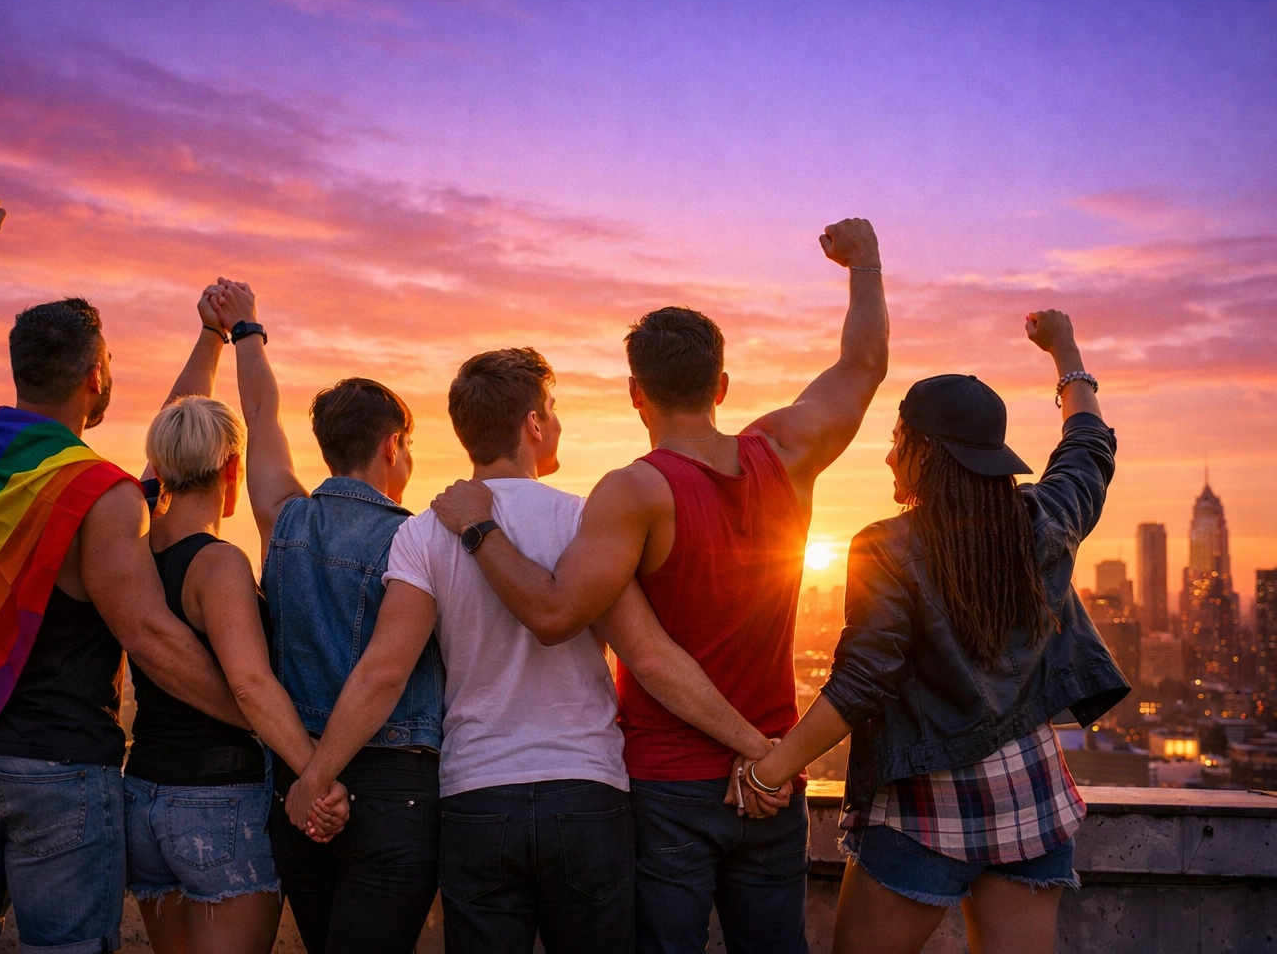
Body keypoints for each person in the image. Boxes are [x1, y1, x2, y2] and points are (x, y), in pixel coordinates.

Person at [429, 218, 889, 953]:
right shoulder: (786, 450)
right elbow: (863, 364)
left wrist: (479, 528)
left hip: (668, 784)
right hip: (773, 775)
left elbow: (554, 613)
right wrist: (864, 264)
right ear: (723, 385)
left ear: (636, 394)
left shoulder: (632, 493)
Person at [288, 347, 791, 954]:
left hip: (476, 796)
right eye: (550, 412)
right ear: (531, 424)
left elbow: (384, 673)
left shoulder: (425, 531)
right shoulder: (586, 521)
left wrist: (314, 777)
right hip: (586, 793)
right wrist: (757, 748)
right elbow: (651, 660)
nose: (555, 425)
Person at [0, 194, 252, 953]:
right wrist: (258, 712)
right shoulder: (101, 495)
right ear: (96, 377)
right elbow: (152, 637)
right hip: (57, 771)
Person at [742, 310, 1130, 954]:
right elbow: (1088, 445)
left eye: (899, 439)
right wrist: (1065, 354)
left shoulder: (887, 548)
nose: (890, 454)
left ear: (927, 453)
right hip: (1031, 789)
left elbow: (864, 678)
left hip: (926, 800)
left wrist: (768, 771)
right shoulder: (1044, 516)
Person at [204, 279, 443, 954]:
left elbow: (260, 414)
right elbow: (385, 675)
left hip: (296, 781)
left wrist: (246, 329)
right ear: (393, 445)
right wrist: (321, 781)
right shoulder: (418, 539)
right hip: (392, 788)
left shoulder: (286, 521)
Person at [122, 291, 350, 954]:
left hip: (146, 798)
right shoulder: (218, 566)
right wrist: (315, 773)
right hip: (218, 805)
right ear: (233, 469)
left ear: (161, 465)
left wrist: (210, 339)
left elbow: (174, 420)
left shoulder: (135, 540)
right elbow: (250, 685)